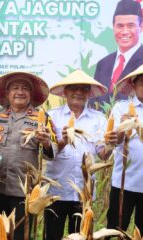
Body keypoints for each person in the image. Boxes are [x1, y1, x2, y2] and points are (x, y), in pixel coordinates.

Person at [0, 72, 57, 239]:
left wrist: (45, 143)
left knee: (20, 236)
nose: (20, 92)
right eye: (15, 88)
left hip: (24, 192)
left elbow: (52, 151)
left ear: (31, 94)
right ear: (7, 93)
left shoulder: (42, 117)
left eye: (25, 88)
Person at [43, 70, 118, 240]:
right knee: (52, 236)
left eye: (83, 89)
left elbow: (103, 155)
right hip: (57, 190)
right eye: (73, 88)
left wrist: (111, 144)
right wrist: (63, 140)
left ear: (89, 93)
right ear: (65, 92)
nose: (78, 92)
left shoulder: (98, 119)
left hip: (84, 192)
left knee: (81, 236)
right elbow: (48, 153)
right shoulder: (52, 116)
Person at [106, 65, 143, 235]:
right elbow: (113, 141)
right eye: (142, 82)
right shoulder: (121, 108)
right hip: (123, 183)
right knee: (115, 230)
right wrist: (122, 128)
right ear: (134, 85)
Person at [91, 0, 143, 107]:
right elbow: (93, 102)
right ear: (113, 27)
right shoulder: (103, 64)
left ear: (141, 27)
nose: (124, 32)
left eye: (130, 26)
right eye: (120, 26)